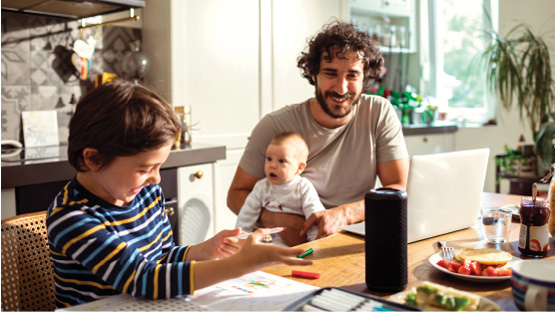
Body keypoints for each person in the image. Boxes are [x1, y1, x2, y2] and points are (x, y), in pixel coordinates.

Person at [46, 80, 311, 309]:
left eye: (159, 166)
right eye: (144, 169)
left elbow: (162, 257)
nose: (156, 178)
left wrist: (205, 249)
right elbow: (144, 279)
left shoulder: (146, 193)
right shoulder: (71, 218)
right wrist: (239, 265)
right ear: (93, 159)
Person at [227, 21, 410, 246]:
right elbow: (236, 194)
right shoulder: (275, 125)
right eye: (330, 73)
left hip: (355, 240)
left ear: (365, 78)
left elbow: (398, 188)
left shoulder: (379, 113)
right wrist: (281, 221)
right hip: (294, 245)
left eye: (352, 76)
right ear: (313, 74)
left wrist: (344, 214)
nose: (341, 88)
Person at [235, 132, 325, 246]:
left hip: (293, 244)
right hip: (266, 241)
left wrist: (314, 243)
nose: (272, 165)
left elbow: (314, 216)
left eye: (281, 161)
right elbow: (247, 213)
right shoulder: (262, 186)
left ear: (299, 168)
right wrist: (240, 238)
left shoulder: (303, 187)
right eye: (269, 158)